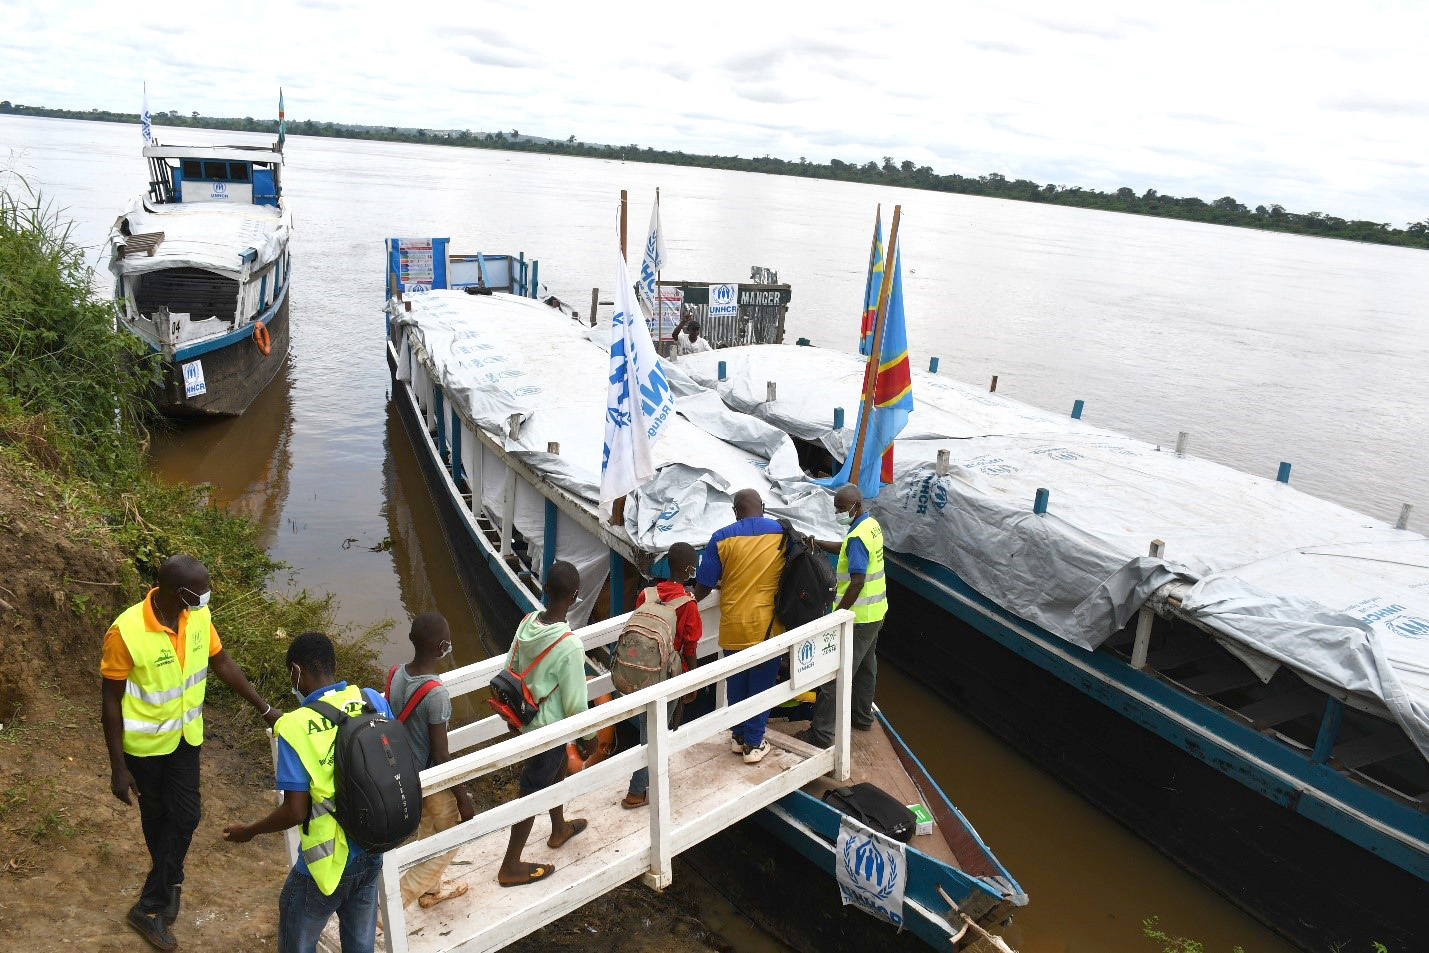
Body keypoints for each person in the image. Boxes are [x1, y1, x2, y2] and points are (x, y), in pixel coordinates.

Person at [101, 554, 280, 953]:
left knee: (187, 815)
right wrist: (117, 767)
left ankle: (153, 899)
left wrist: (265, 708)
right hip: (144, 748)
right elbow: (110, 702)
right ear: (178, 592)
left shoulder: (197, 616)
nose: (207, 595)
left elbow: (222, 663)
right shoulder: (126, 632)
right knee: (157, 816)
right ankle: (162, 893)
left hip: (185, 738)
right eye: (200, 589)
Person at [221, 632, 394, 953]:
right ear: (332, 665)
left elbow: (295, 811)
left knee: (297, 941)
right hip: (372, 846)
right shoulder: (372, 700)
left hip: (324, 864)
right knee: (360, 945)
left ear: (296, 672)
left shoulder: (295, 725)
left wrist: (251, 830)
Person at [497, 560, 591, 887]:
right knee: (531, 790)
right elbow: (577, 704)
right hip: (547, 730)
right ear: (575, 595)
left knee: (560, 765)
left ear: (546, 588)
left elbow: (511, 666)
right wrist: (590, 737)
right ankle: (510, 865)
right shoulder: (569, 645)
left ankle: (559, 828)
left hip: (524, 717)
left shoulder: (528, 622)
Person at [387, 612, 477, 909]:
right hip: (430, 781)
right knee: (447, 838)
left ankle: (431, 891)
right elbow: (440, 754)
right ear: (442, 647)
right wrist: (462, 798)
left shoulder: (395, 674)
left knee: (427, 832)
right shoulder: (436, 694)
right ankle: (396, 899)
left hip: (404, 775)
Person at [693, 489, 785, 764]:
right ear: (763, 507)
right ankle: (754, 745)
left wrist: (680, 603)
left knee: (737, 683)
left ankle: (738, 736)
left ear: (735, 511)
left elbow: (704, 587)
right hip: (767, 625)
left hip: (733, 623)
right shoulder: (781, 532)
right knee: (761, 685)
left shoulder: (720, 538)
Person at [800, 485, 888, 747]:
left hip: (858, 618)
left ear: (855, 506)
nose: (837, 512)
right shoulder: (870, 525)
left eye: (840, 508)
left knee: (836, 674)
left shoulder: (859, 537)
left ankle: (822, 735)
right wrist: (818, 543)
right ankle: (861, 717)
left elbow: (857, 581)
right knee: (867, 668)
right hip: (876, 612)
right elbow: (848, 548)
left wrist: (836, 616)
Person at [622, 542, 703, 808]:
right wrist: (692, 683)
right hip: (669, 677)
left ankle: (649, 782)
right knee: (654, 735)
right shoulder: (688, 605)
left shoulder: (646, 594)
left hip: (643, 672)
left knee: (650, 728)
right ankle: (636, 792)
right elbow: (689, 647)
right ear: (690, 569)